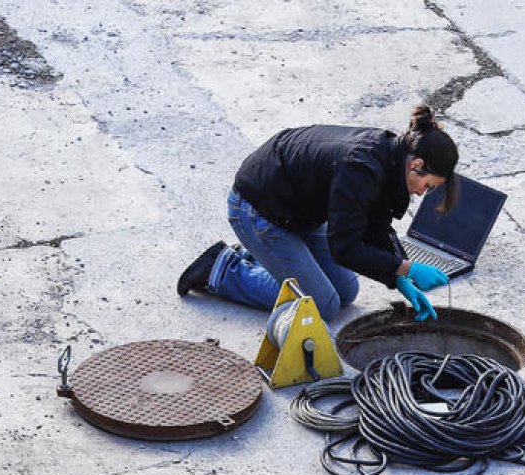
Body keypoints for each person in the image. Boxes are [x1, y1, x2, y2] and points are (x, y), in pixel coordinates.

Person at [177, 105, 459, 323]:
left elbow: (376, 224)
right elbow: (345, 247)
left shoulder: (391, 156)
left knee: (347, 292)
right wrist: (406, 269)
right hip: (257, 209)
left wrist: (399, 276)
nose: (422, 193)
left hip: (300, 210)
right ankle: (222, 269)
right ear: (417, 165)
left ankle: (265, 257)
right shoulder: (361, 167)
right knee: (323, 305)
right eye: (428, 185)